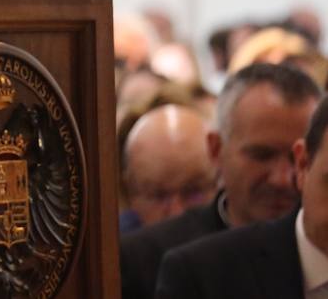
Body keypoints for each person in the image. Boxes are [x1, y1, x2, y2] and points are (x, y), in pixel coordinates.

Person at [120, 62, 323, 299]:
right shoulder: (146, 258)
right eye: (262, 155)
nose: (281, 179)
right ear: (216, 150)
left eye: (296, 159)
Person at [121, 104, 217, 232]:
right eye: (158, 195)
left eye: (194, 192)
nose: (176, 213)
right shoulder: (111, 246)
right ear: (129, 193)